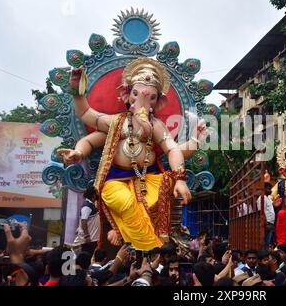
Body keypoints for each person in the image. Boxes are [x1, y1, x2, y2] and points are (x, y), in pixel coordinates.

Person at [57, 57, 207, 250]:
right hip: (115, 181)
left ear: (158, 102)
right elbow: (86, 115)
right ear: (127, 96)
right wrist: (77, 95)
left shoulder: (156, 126)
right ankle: (148, 248)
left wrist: (180, 177)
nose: (143, 101)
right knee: (122, 200)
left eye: (150, 97)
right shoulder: (116, 123)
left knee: (165, 184)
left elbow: (173, 150)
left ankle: (134, 240)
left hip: (148, 179)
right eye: (137, 94)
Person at [73, 185, 100, 257]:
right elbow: (83, 221)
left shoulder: (91, 205)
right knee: (87, 258)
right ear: (93, 195)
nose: (98, 194)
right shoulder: (87, 206)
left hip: (92, 239)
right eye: (97, 192)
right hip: (89, 240)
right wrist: (87, 236)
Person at [256, 183, 275, 248]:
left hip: (270, 223)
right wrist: (266, 224)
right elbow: (261, 212)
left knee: (267, 242)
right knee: (265, 243)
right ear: (264, 189)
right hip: (267, 223)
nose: (271, 191)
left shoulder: (267, 198)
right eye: (269, 189)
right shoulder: (262, 198)